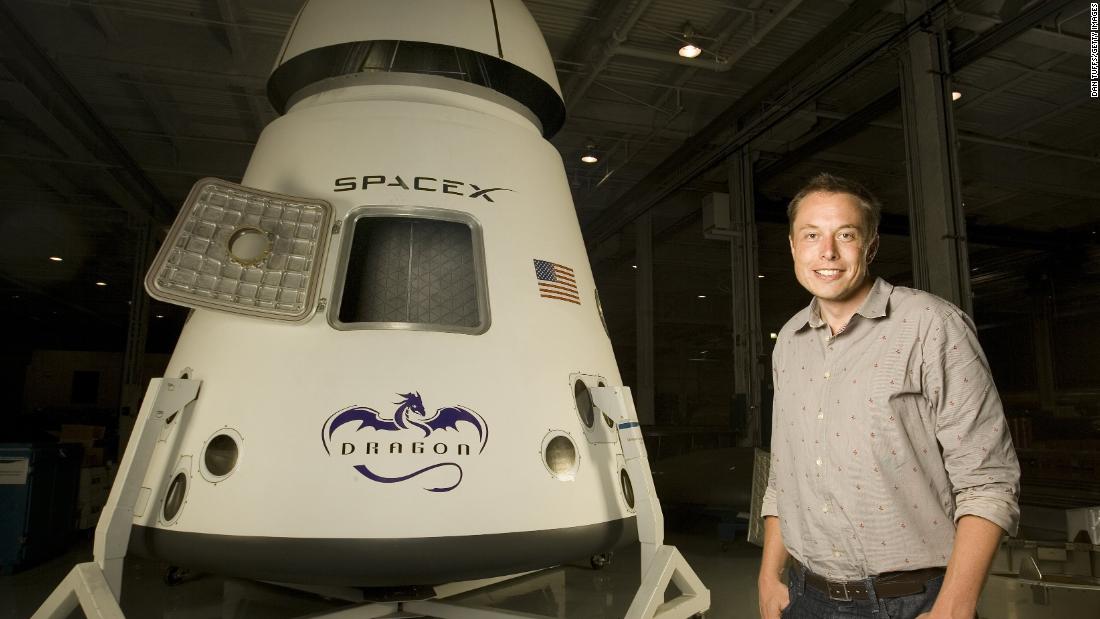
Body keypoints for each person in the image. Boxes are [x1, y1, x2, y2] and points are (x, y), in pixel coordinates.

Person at [757, 173, 1020, 619]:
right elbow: (785, 475)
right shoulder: (790, 341)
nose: (828, 253)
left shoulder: (931, 326)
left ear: (871, 245)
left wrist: (954, 607)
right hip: (806, 596)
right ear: (793, 247)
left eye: (845, 235)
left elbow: (989, 481)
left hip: (913, 602)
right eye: (812, 235)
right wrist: (769, 576)